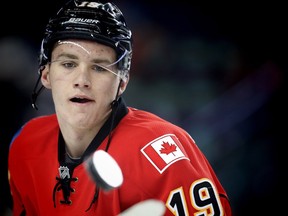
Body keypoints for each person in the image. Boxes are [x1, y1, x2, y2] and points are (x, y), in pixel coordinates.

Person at [8, 0, 232, 215]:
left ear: (122, 82)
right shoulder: (26, 143)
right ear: (45, 74)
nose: (82, 80)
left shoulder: (161, 153)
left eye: (99, 68)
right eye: (68, 64)